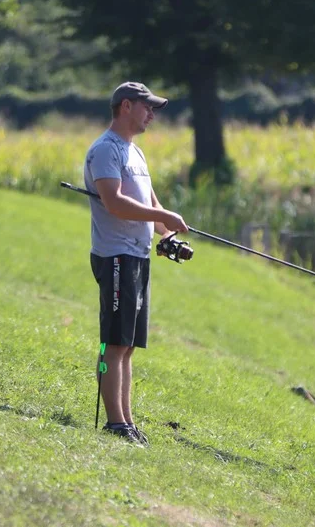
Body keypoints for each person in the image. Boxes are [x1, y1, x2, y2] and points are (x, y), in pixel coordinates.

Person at [84, 81, 189, 445]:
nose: (151, 116)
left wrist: (166, 233)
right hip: (115, 256)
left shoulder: (136, 153)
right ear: (126, 107)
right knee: (113, 344)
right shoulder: (104, 151)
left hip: (137, 257)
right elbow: (114, 203)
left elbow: (153, 210)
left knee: (127, 345)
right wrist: (167, 216)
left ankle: (126, 421)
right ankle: (115, 424)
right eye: (147, 108)